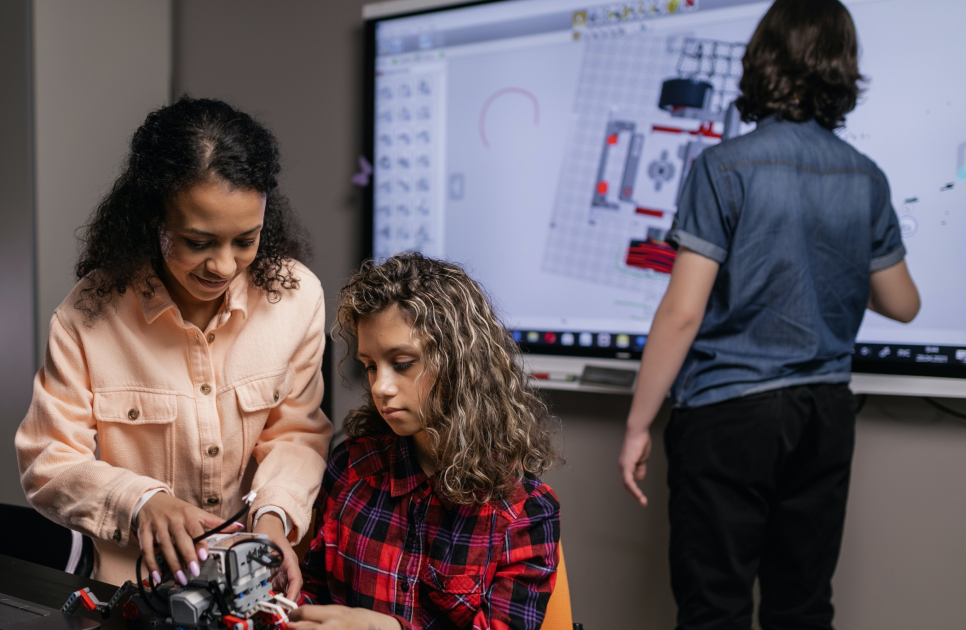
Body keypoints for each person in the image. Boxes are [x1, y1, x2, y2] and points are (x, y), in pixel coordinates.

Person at [616, 1, 920, 629]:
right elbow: (903, 303)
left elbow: (681, 313)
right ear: (843, 70)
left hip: (730, 416)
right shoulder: (867, 178)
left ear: (760, 62)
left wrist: (637, 426)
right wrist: (827, 256)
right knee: (803, 608)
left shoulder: (723, 168)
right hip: (824, 417)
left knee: (715, 610)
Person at [14, 96, 332, 595]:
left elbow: (296, 432)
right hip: (132, 591)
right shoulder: (87, 317)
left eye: (245, 240)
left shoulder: (297, 299)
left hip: (250, 583)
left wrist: (273, 519)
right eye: (198, 242)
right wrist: (140, 503)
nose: (223, 267)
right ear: (152, 219)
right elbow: (48, 461)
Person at [290, 253, 561, 630]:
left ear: (458, 361)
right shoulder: (351, 467)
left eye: (402, 363)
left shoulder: (525, 512)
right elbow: (311, 594)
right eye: (370, 365)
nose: (380, 387)